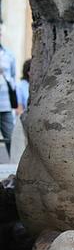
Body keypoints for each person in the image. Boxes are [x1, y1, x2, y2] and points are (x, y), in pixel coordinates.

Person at [0, 23, 17, 156]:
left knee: (10, 136)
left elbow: (13, 77)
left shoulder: (8, 55)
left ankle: (14, 165)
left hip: (5, 104)